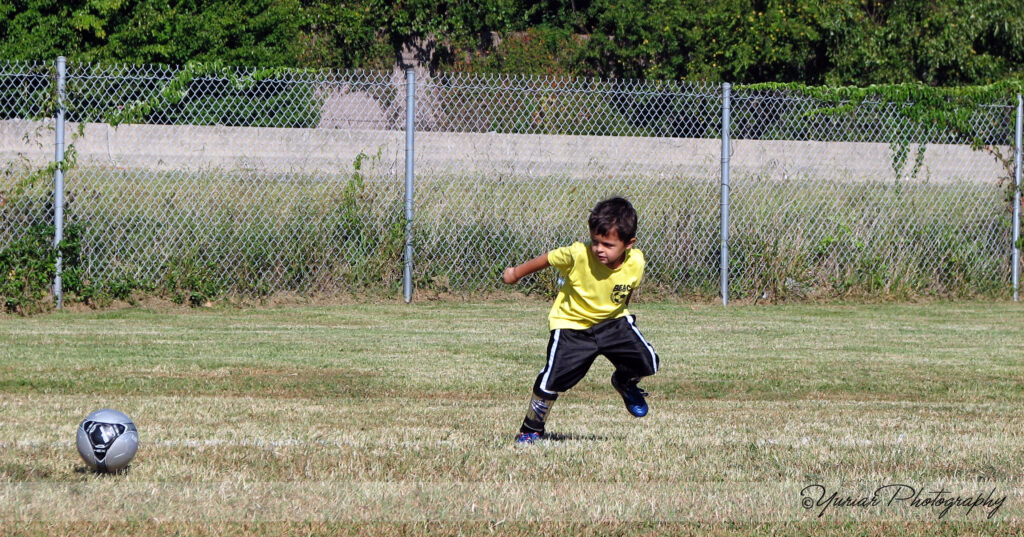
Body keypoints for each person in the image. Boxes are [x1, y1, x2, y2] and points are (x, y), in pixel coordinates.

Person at [501, 197, 660, 444]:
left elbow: (625, 290)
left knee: (648, 362)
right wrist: (514, 274)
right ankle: (531, 429)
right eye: (595, 241)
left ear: (629, 244)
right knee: (551, 380)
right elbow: (548, 259)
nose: (599, 249)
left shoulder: (636, 262)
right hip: (572, 326)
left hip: (612, 322)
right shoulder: (578, 254)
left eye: (607, 244)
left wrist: (622, 314)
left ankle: (624, 381)